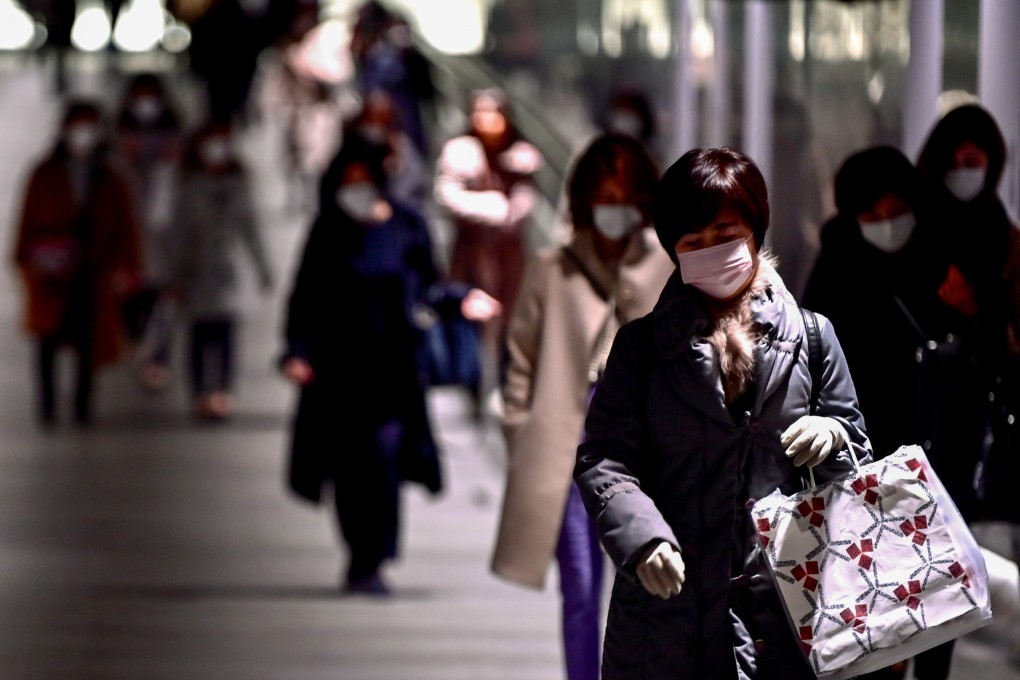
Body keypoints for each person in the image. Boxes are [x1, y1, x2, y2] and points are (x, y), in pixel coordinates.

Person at [572, 147, 872, 679]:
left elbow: (855, 458)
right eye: (694, 242)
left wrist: (834, 436)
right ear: (673, 249)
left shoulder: (814, 337)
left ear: (756, 229)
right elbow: (605, 459)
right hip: (664, 620)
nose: (713, 251)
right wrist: (642, 538)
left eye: (726, 234)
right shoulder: (641, 349)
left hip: (786, 615)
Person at [278, 133, 500, 596]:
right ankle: (359, 556)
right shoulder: (328, 231)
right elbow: (304, 298)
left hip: (394, 371)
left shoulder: (406, 225)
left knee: (383, 461)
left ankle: (376, 556)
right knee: (348, 468)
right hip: (338, 374)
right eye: (347, 181)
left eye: (363, 179)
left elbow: (429, 287)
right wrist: (297, 351)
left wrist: (460, 301)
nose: (356, 189)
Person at [491, 132, 674, 680]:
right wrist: (519, 428)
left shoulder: (665, 264)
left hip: (644, 438)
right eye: (604, 198)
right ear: (584, 202)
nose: (614, 211)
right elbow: (520, 354)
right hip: (564, 437)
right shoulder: (553, 266)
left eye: (625, 198)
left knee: (647, 571)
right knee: (578, 578)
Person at [11, 98, 142, 428]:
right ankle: (48, 406)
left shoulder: (109, 179)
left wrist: (127, 267)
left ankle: (83, 406)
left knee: (88, 341)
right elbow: (26, 221)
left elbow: (126, 227)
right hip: (53, 274)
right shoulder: (44, 173)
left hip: (91, 272)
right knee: (47, 342)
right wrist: (27, 260)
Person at [433, 87, 544, 414]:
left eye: (493, 112)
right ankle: (471, 385)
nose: (487, 120)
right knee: (472, 316)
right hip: (472, 253)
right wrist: (489, 207)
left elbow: (527, 194)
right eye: (480, 112)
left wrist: (512, 213)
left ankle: (506, 386)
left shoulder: (518, 154)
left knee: (509, 322)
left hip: (508, 256)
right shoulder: (461, 152)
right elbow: (447, 193)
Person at [168, 119, 274, 421]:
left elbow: (251, 228)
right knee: (199, 335)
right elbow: (178, 231)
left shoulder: (239, 183)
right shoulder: (188, 186)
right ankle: (201, 392)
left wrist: (263, 267)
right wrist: (173, 274)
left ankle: (224, 392)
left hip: (229, 270)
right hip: (196, 270)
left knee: (226, 334)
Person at [113, 71, 186, 391]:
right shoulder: (117, 137)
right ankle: (135, 343)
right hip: (130, 234)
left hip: (165, 235)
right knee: (132, 297)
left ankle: (158, 359)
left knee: (165, 301)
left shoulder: (176, 138)